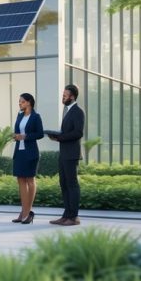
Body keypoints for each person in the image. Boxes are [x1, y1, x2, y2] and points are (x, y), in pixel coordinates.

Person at [48, 84, 85, 226]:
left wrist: (60, 137)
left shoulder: (78, 112)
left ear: (72, 96)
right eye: (63, 95)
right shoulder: (67, 111)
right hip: (64, 154)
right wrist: (56, 136)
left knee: (72, 184)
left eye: (65, 95)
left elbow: (78, 133)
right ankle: (66, 215)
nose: (63, 97)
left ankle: (74, 217)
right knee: (63, 184)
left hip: (71, 154)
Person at [11, 93, 44, 225]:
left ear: (29, 102)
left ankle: (27, 212)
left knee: (30, 179)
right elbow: (17, 130)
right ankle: (23, 211)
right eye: (19, 102)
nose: (20, 103)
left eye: (22, 101)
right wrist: (16, 136)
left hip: (30, 152)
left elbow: (40, 133)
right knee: (20, 179)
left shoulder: (36, 117)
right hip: (19, 152)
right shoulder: (19, 116)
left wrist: (25, 136)